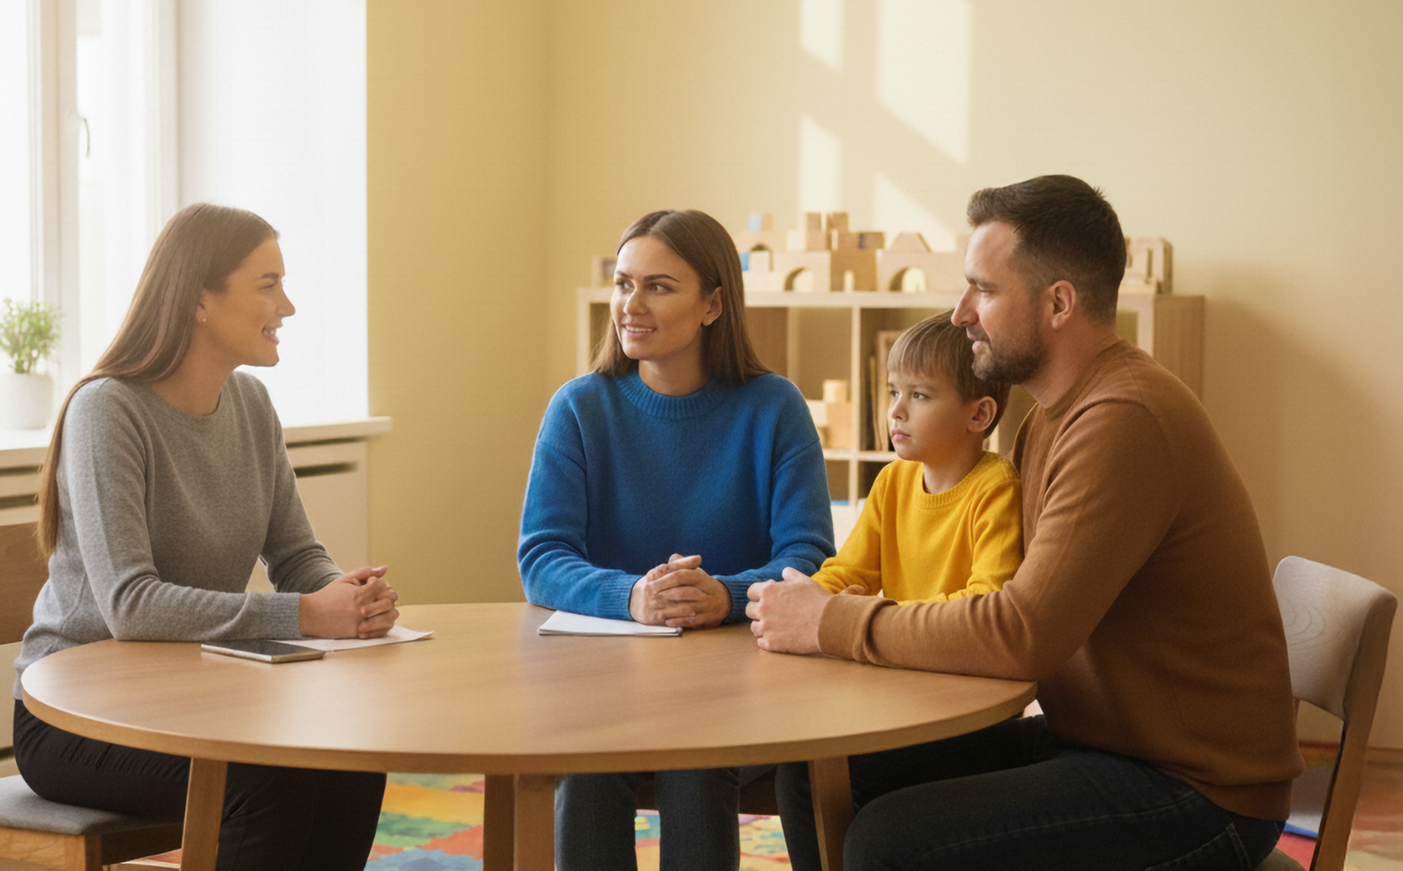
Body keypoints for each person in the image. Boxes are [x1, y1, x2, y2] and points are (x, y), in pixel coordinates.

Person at [748, 175, 1303, 871]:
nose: (959, 313)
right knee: (821, 769)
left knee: (888, 841)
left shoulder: (1121, 420)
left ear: (1058, 303)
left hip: (1196, 788)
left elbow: (1021, 632)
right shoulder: (1049, 420)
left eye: (983, 289)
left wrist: (829, 621)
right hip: (1104, 741)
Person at [12, 203, 397, 871]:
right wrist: (309, 614)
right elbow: (130, 604)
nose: (289, 306)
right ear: (199, 300)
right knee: (268, 781)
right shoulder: (108, 410)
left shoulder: (250, 405)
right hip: (75, 719)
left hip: (195, 701)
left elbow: (295, 553)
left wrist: (343, 595)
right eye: (268, 284)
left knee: (350, 757)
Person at [518, 209, 834, 871]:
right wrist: (634, 595)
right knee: (588, 763)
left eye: (658, 286)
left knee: (696, 763)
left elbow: (809, 556)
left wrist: (723, 595)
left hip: (743, 680)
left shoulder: (775, 407)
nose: (632, 304)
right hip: (607, 686)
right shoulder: (579, 407)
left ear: (714, 303)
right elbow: (542, 556)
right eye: (624, 283)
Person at [800, 309, 1022, 604]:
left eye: (919, 395)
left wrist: (878, 612)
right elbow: (846, 572)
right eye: (894, 393)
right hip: (894, 643)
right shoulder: (892, 480)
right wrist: (805, 597)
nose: (895, 411)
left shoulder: (996, 487)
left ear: (979, 414)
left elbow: (985, 601)